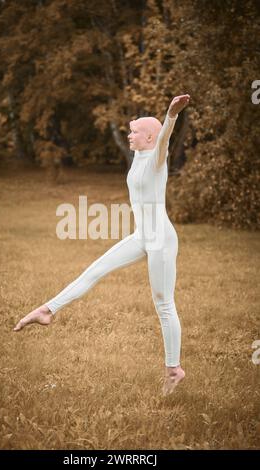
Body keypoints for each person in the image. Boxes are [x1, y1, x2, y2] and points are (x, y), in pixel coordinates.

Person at [14, 94, 191, 396]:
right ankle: (47, 310)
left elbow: (163, 141)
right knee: (93, 271)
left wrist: (171, 116)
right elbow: (148, 145)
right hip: (141, 235)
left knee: (163, 303)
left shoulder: (158, 156)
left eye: (135, 132)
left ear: (150, 137)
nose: (129, 135)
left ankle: (174, 369)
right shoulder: (139, 156)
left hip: (161, 238)